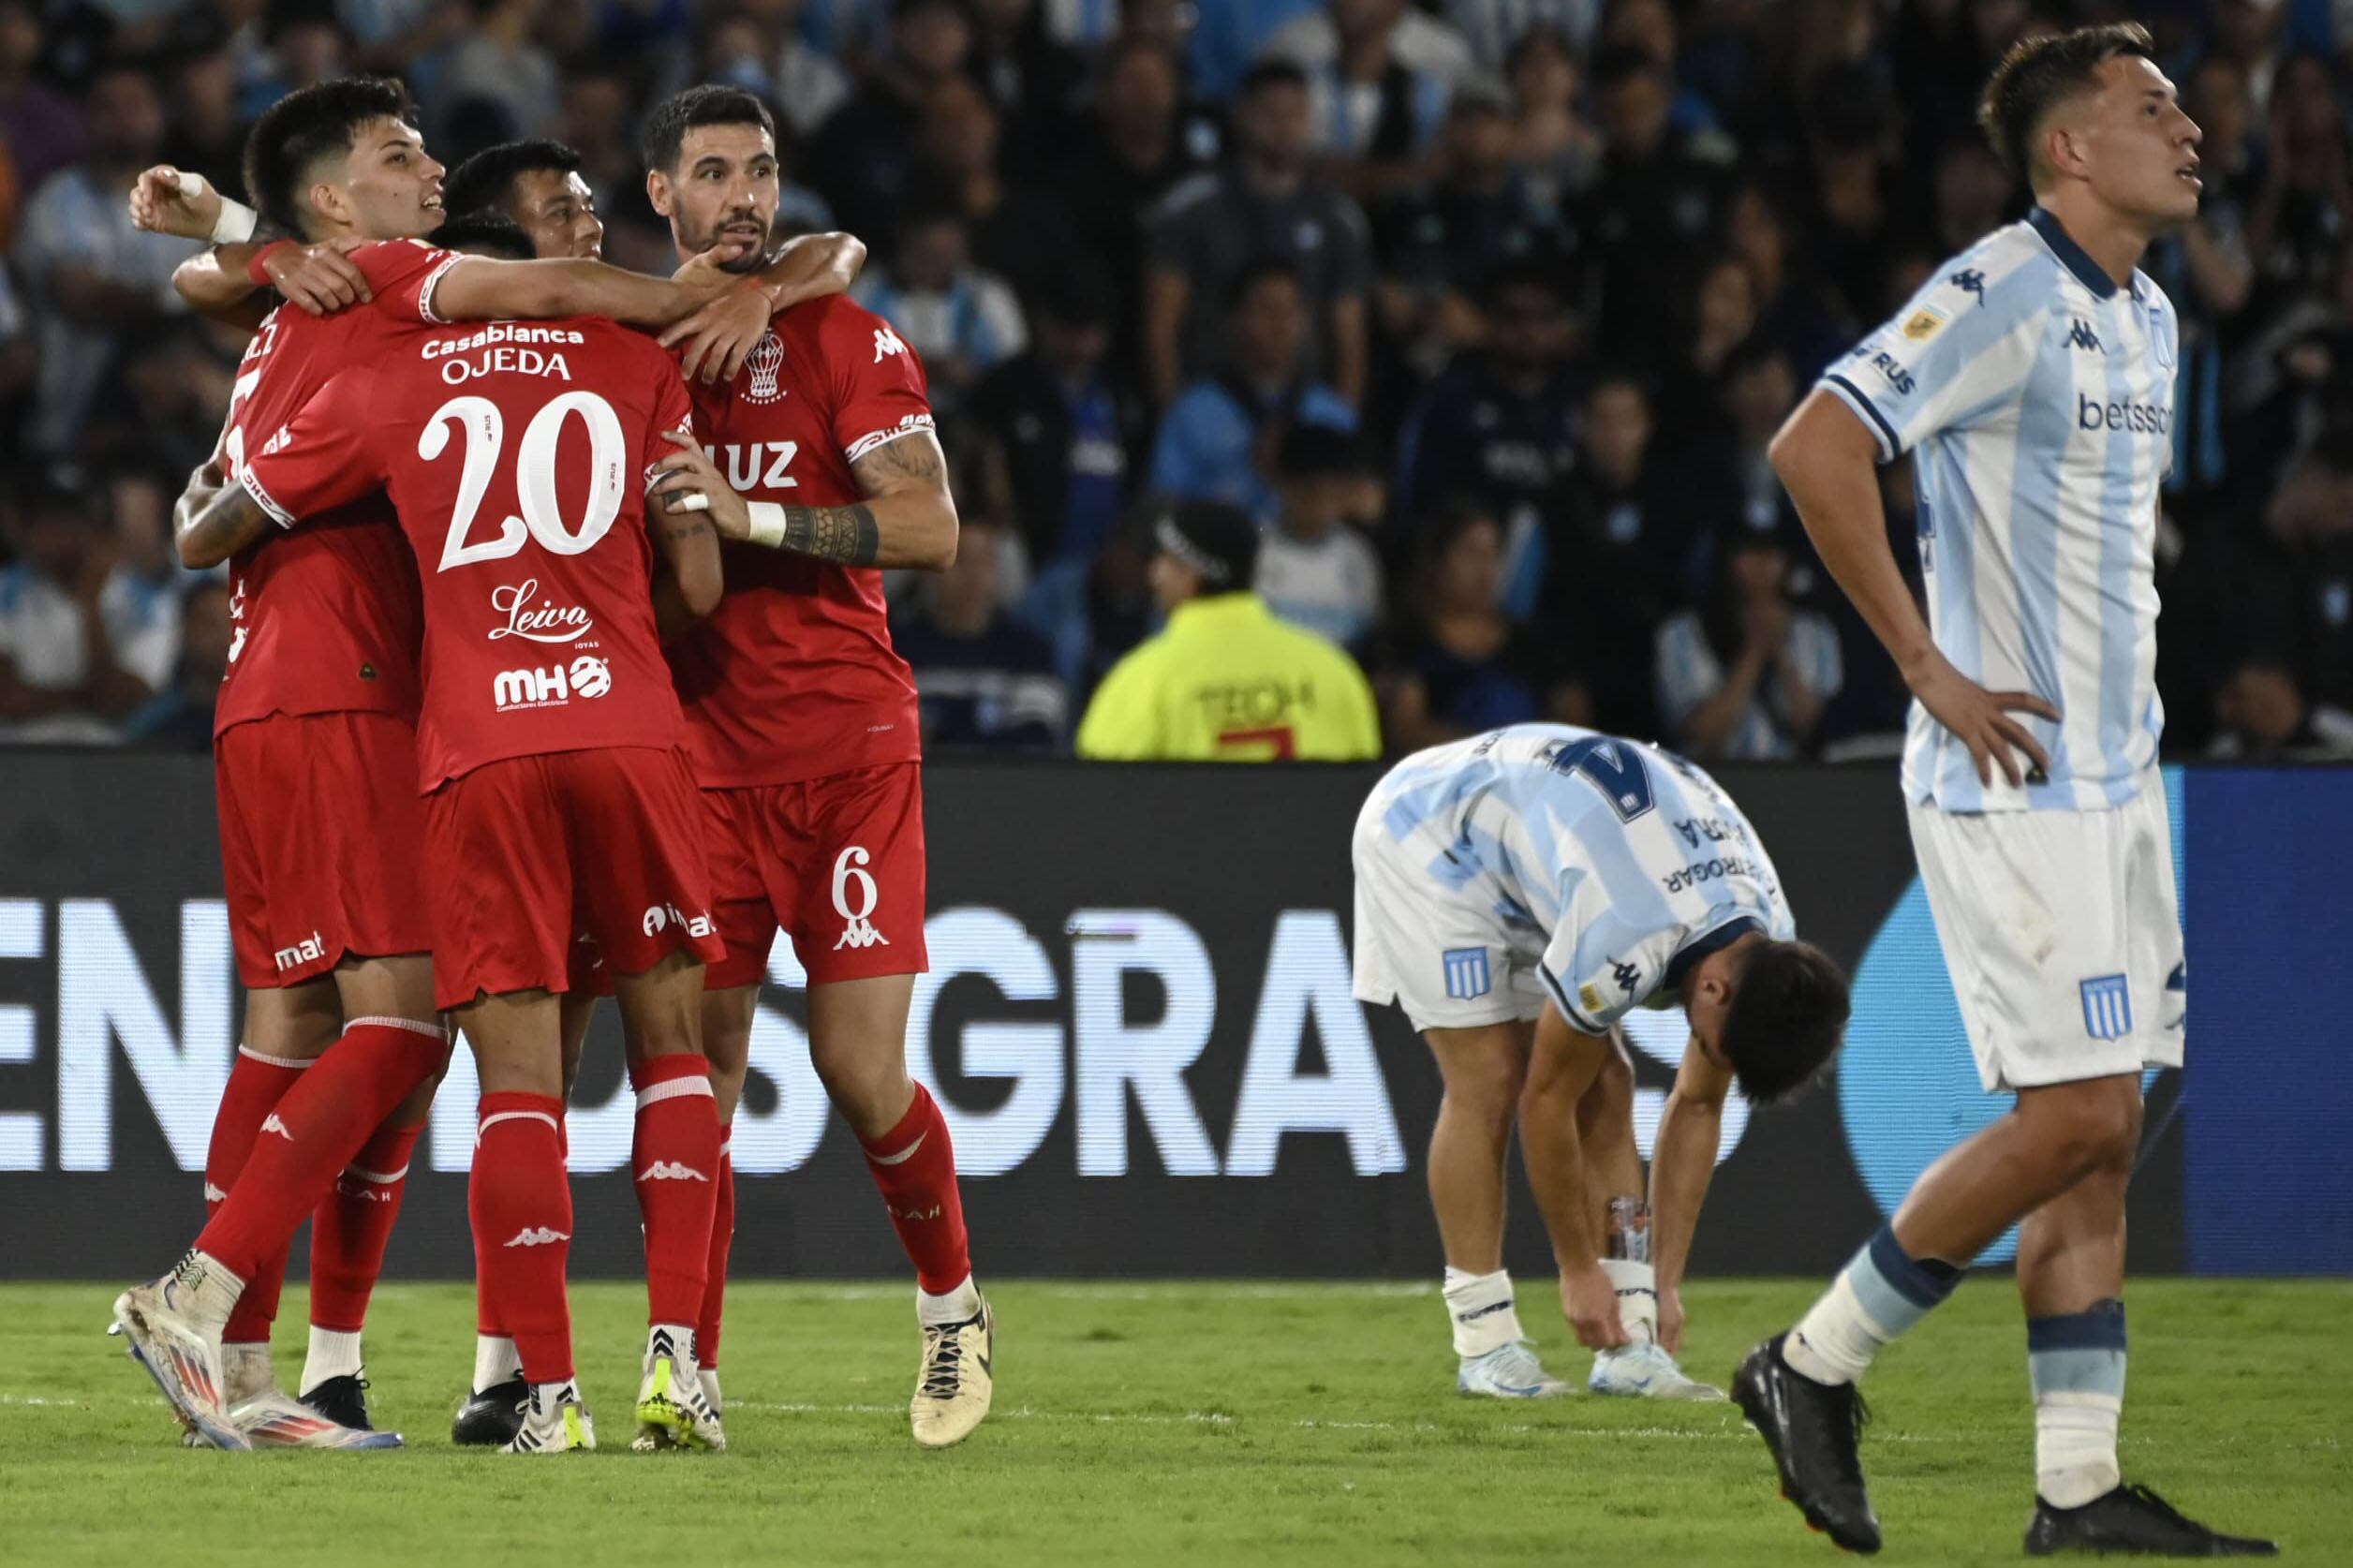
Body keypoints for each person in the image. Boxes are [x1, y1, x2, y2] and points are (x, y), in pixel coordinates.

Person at [111, 75, 848, 1452]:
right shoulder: (413, 297)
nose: (431, 171)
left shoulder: (311, 314)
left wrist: (231, 267)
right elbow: (688, 547)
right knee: (409, 1026)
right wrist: (722, 293)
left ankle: (287, 1375)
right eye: (405, 157)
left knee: (302, 1027)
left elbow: (212, 502)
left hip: (291, 695)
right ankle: (210, 1296)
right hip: (390, 696)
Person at [1738, 26, 2276, 1557]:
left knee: (2105, 1128)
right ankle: (1807, 1360)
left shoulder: (2152, 319)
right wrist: (1923, 661)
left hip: (2115, 782)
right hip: (2010, 777)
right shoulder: (1998, 290)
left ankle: (2076, 1486)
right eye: (2147, 105)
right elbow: (1815, 442)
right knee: (2075, 1112)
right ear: (2065, 149)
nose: (2184, 126)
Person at [630, 84, 995, 1450]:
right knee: (696, 1074)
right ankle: (685, 1369)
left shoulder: (840, 332)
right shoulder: (625, 344)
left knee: (857, 1066)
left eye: (763, 171)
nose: (745, 196)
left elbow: (932, 526)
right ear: (659, 192)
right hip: (694, 765)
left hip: (847, 751)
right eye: (713, 171)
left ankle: (951, 1307)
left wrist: (751, 515)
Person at [1351, 723, 1846, 1400]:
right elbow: (1543, 1102)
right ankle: (1485, 1343)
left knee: (1607, 1083)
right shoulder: (1628, 934)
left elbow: (1699, 1104)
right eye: (1710, 1045)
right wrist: (1576, 1268)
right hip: (1430, 835)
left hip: (1546, 843)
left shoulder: (1769, 945)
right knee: (1493, 1077)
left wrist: (1661, 1286)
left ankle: (1631, 1346)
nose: (1706, 1059)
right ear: (1712, 988)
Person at [1073, 499, 1379, 761]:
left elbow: (1099, 800)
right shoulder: (1334, 671)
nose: (1154, 573)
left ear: (1190, 572)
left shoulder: (1143, 680)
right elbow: (1369, 794)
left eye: (1164, 559)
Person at [1145, 61, 1370, 411]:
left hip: (1305, 414)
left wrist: (1342, 423)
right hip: (1209, 405)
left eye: (1295, 113)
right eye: (1270, 112)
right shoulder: (1192, 208)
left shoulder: (1338, 218)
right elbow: (1161, 326)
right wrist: (1174, 415)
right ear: (1242, 116)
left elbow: (1350, 340)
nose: (1284, 126)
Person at [1653, 525, 1842, 761]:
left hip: (1794, 779)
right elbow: (1702, 732)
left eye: (1772, 553)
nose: (1762, 565)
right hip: (1711, 780)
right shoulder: (1682, 632)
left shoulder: (1816, 631)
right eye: (1749, 552)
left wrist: (1780, 653)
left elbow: (1811, 725)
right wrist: (1752, 654)